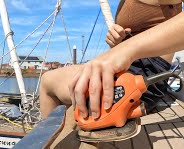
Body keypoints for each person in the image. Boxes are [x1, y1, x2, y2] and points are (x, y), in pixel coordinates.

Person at [40, 0, 183, 119]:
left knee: (48, 82)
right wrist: (118, 42)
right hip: (135, 70)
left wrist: (126, 49)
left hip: (146, 78)